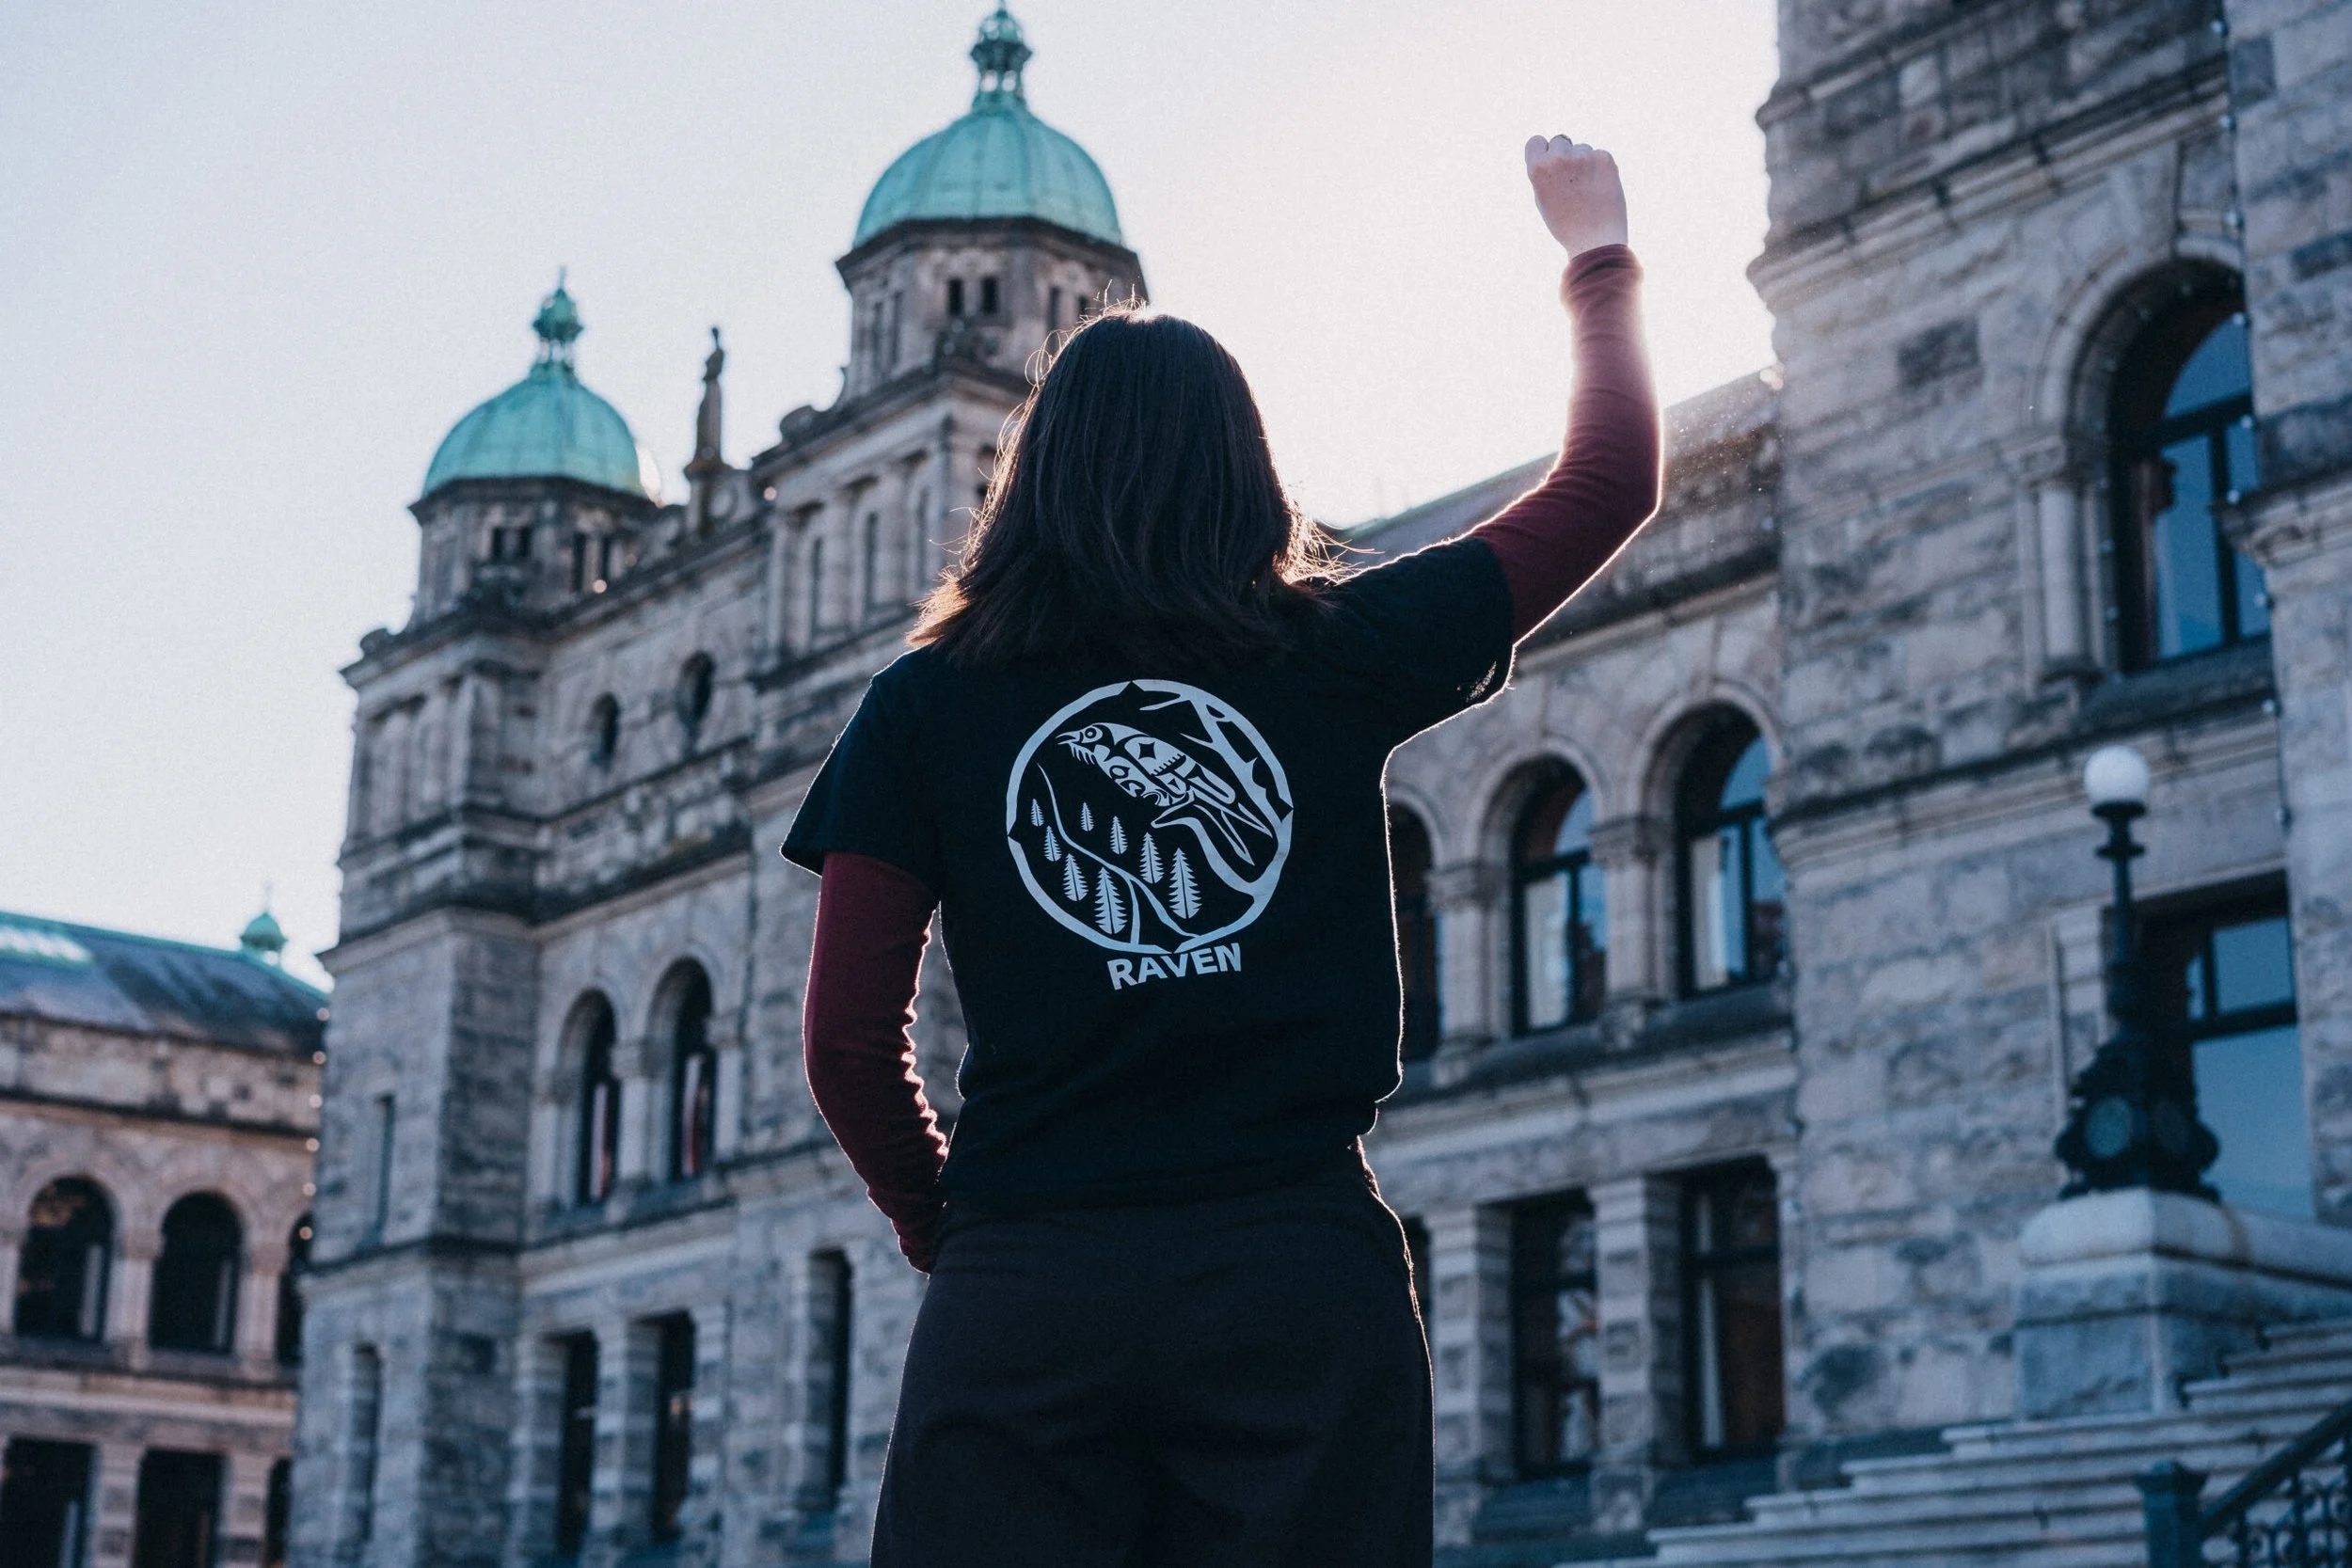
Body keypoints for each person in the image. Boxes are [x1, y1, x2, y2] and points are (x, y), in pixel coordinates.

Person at [781, 135, 1657, 1567]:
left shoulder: (926, 702)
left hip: (1027, 1281)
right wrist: (1595, 250)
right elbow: (1609, 482)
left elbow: (844, 1042)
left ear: (1032, 474)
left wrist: (965, 1230)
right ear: (1245, 467)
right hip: (1292, 1276)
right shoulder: (1333, 651)